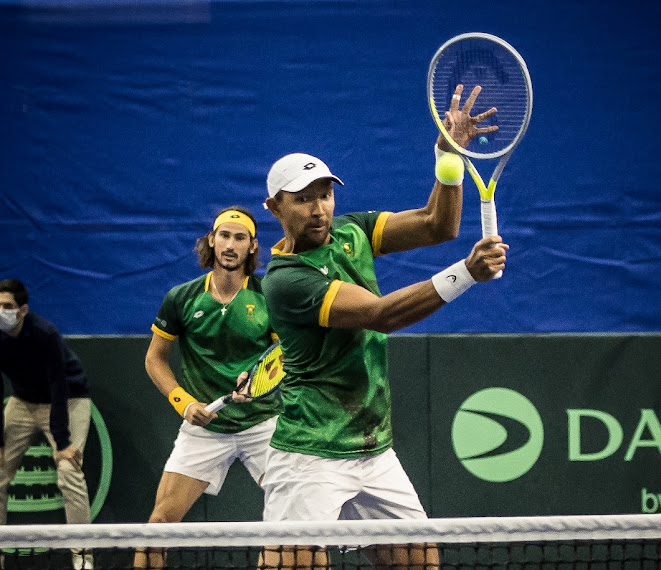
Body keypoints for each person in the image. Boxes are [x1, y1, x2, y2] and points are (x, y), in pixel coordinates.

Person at [259, 85, 509, 569]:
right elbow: (381, 315)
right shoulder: (286, 281)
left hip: (373, 450)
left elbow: (438, 225)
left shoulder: (351, 231)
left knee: (421, 563)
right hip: (310, 455)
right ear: (275, 208)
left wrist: (448, 156)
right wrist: (466, 274)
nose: (319, 209)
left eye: (325, 195)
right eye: (303, 199)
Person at [134, 206, 282, 569]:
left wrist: (261, 381)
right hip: (204, 429)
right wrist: (184, 404)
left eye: (240, 237)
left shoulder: (269, 297)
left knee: (291, 526)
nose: (230, 244)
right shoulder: (181, 298)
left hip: (263, 426)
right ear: (212, 240)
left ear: (252, 247)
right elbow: (155, 359)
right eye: (225, 235)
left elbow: (287, 358)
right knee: (158, 526)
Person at [0, 278, 94, 570]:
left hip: (68, 400)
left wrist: (63, 442)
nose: (1, 312)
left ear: (23, 310)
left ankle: (82, 558)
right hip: (23, 402)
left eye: (7, 307)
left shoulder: (45, 334)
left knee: (69, 470)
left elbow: (58, 385)